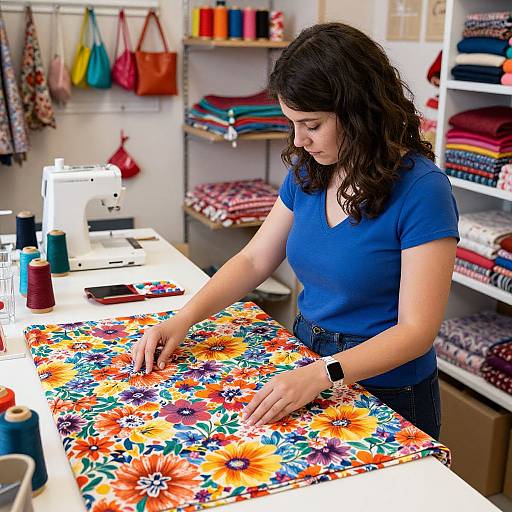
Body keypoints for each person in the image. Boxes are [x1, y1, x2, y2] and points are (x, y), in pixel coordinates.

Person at [132, 23, 459, 440]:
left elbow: (416, 332)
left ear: (359, 111)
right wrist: (184, 318)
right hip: (306, 358)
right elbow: (254, 259)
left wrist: (323, 374)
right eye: (292, 124)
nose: (299, 140)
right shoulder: (311, 171)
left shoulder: (422, 191)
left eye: (312, 124)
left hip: (387, 387)